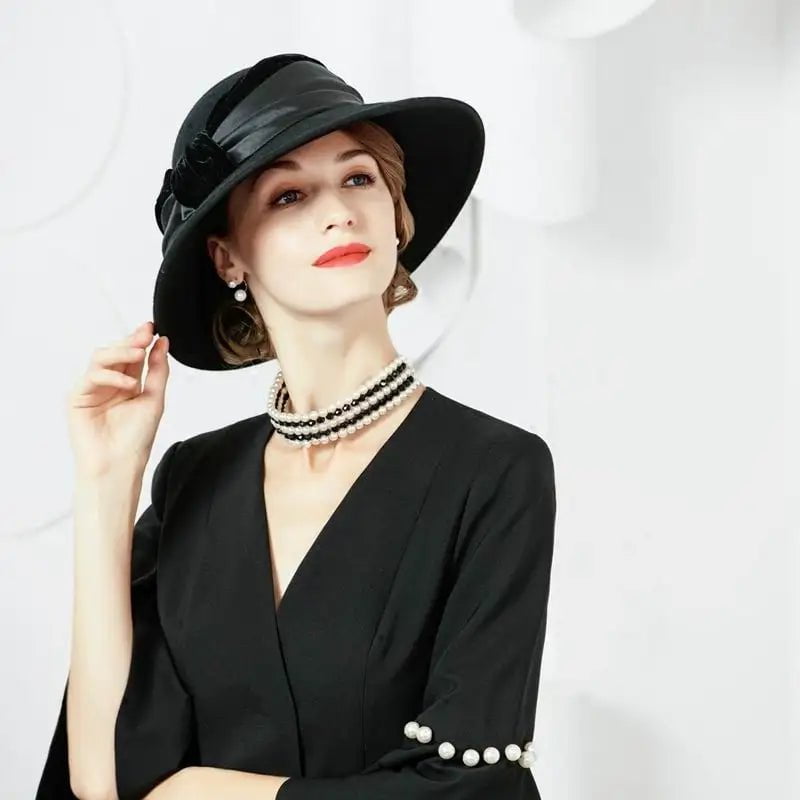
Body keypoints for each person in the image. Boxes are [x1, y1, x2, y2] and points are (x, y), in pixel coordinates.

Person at [35, 53, 557, 800]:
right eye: (288, 195)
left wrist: (202, 792)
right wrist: (105, 479)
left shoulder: (495, 469)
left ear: (397, 214)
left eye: (359, 178)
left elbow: (470, 787)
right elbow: (104, 778)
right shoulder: (191, 480)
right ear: (228, 258)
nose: (338, 211)